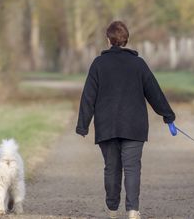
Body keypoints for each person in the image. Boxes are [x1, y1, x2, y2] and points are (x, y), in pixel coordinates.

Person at [76, 21, 177, 219]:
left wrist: (83, 125)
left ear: (108, 40)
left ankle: (112, 209)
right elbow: (154, 92)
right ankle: (132, 210)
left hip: (107, 126)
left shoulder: (98, 64)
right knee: (132, 168)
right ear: (126, 40)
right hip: (134, 126)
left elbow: (88, 96)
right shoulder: (138, 64)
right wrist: (168, 115)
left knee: (111, 168)